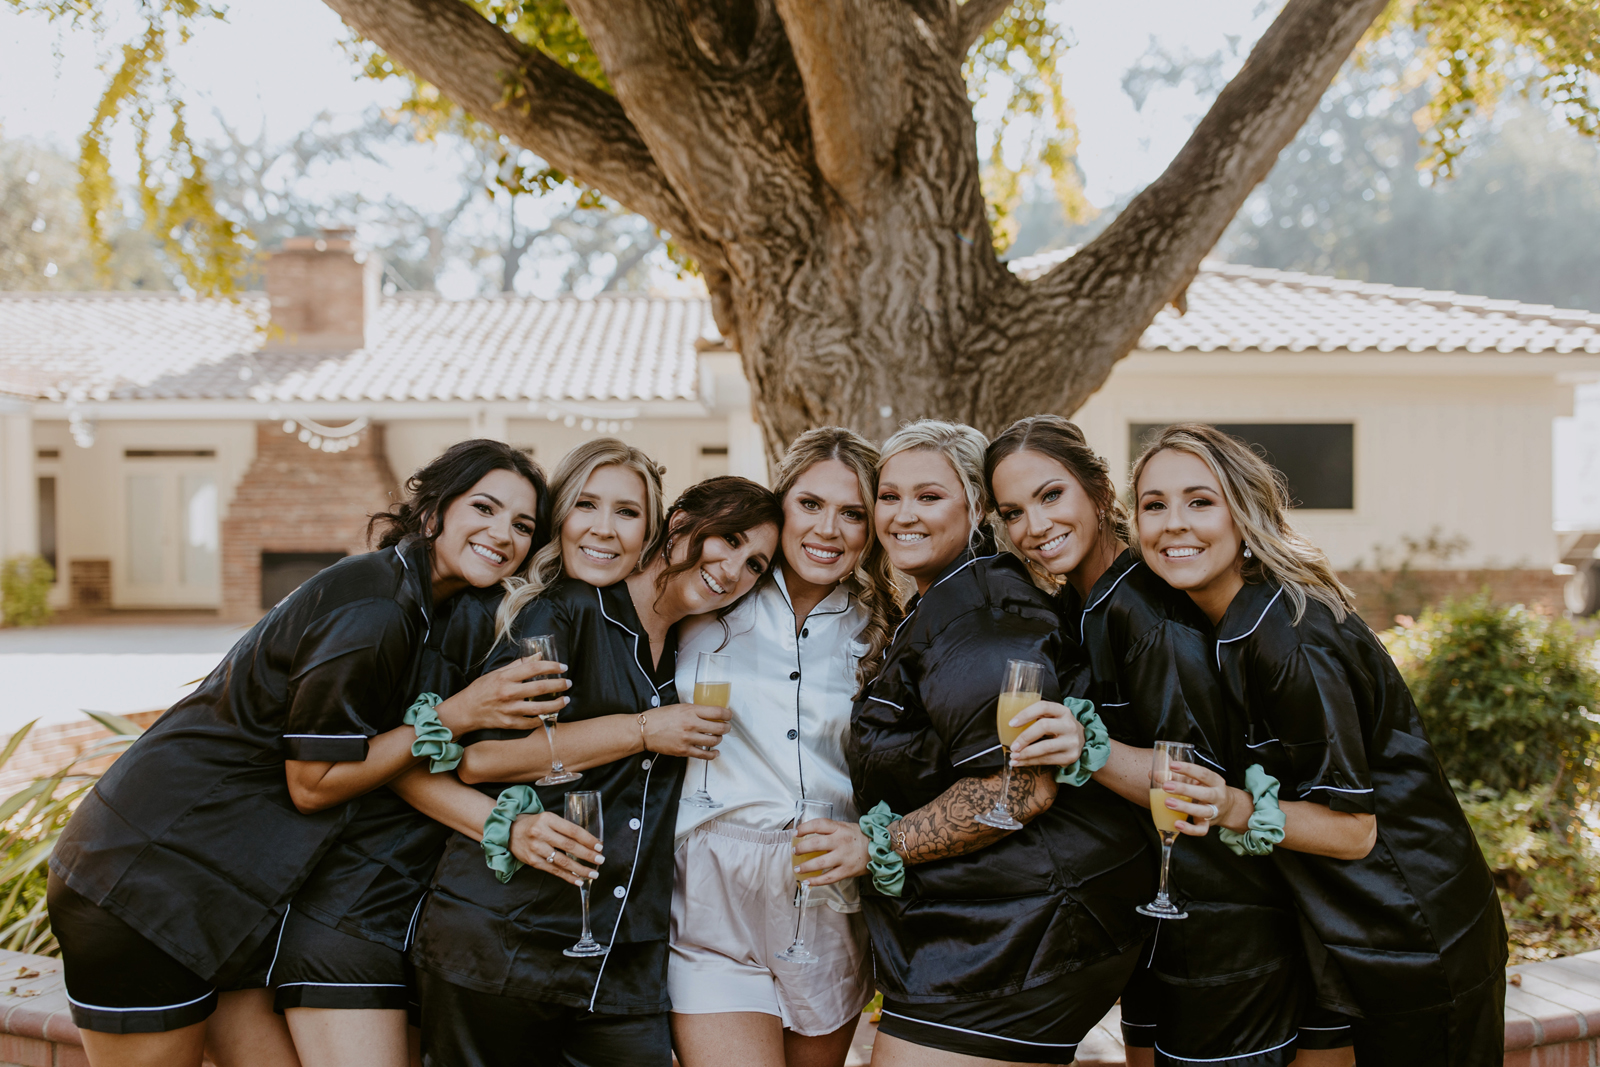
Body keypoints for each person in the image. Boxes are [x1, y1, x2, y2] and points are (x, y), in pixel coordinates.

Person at [46, 440, 565, 1067]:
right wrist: (459, 714)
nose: (502, 533)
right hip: (146, 876)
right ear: (433, 514)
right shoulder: (375, 608)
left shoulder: (426, 607)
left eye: (522, 525)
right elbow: (313, 783)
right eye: (483, 507)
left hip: (230, 894)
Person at [1126, 423, 1507, 1067]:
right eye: (1154, 505)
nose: (1173, 524)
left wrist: (1229, 806)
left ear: (1244, 514)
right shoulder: (1224, 621)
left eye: (1200, 501)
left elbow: (1355, 829)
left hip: (1414, 937)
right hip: (1350, 938)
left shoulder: (1290, 636)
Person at [406, 442, 783, 1067]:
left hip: (623, 958)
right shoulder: (569, 611)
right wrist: (641, 730)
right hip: (506, 939)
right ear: (679, 524)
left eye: (756, 563)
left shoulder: (691, 650)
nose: (734, 567)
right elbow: (481, 760)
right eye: (729, 539)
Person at [987, 415, 1342, 1067]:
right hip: (1157, 927)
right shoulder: (1083, 603)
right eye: (1013, 511)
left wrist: (1081, 750)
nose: (1033, 526)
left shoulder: (1147, 613)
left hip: (1220, 933)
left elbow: (1199, 778)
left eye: (1050, 495)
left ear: (1098, 490)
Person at [841, 419, 1152, 1067]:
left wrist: (873, 845)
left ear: (977, 507)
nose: (902, 514)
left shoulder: (982, 614)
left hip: (1020, 935)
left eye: (929, 496)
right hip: (992, 927)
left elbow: (1018, 788)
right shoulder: (943, 601)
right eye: (889, 495)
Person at [668, 428, 900, 1067]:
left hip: (827, 895)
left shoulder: (888, 627)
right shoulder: (709, 598)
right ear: (781, 505)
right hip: (712, 894)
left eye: (852, 513)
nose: (829, 529)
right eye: (810, 505)